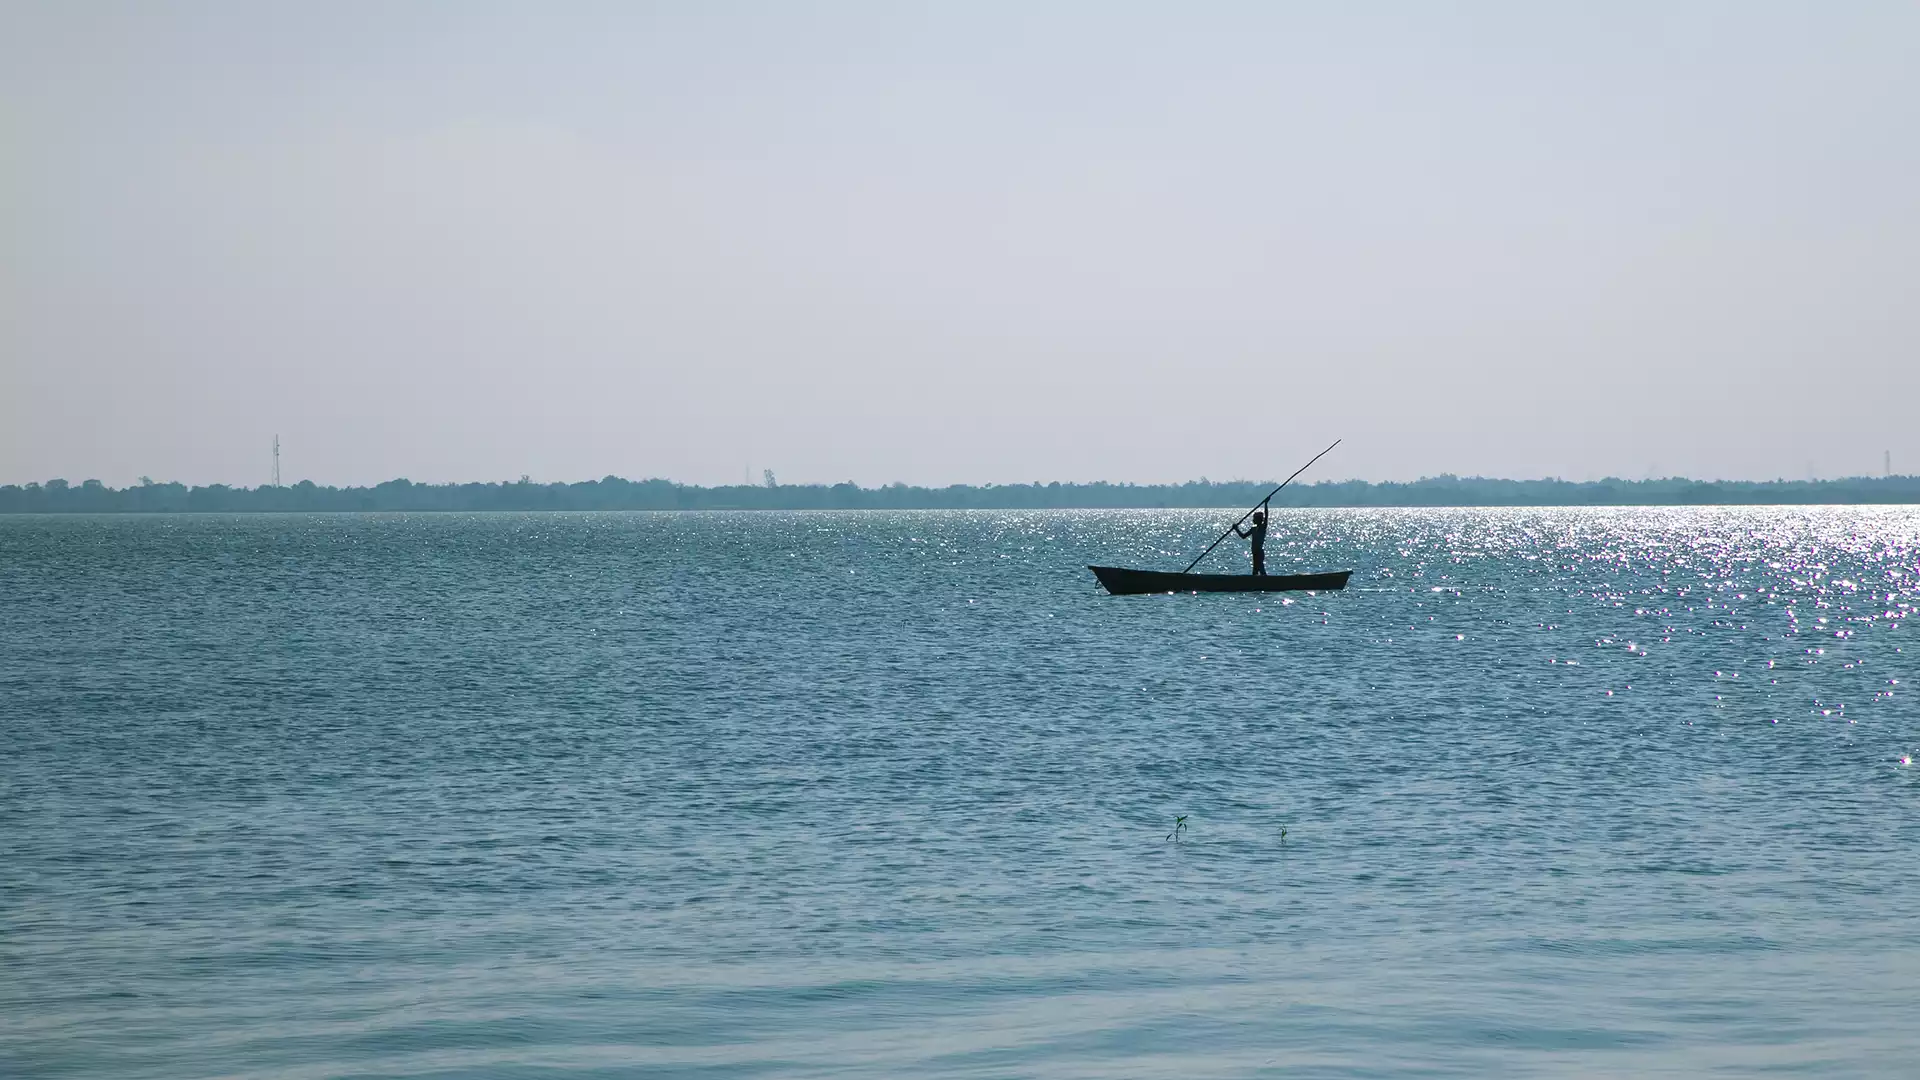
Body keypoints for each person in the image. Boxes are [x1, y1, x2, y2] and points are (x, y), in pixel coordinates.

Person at [1234, 508, 1268, 576]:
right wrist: (1236, 529)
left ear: (1259, 520)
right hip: (1254, 552)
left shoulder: (1262, 527)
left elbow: (1266, 516)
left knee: (1261, 569)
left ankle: (1268, 583)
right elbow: (1243, 536)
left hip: (1259, 552)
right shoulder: (1253, 528)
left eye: (1254, 519)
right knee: (1255, 571)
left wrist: (1266, 504)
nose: (1253, 520)